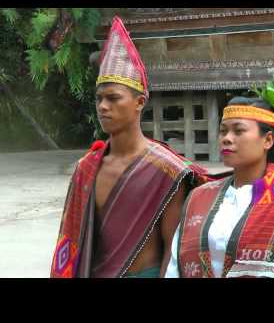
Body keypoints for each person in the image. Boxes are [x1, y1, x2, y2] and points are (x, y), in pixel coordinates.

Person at [50, 16, 208, 278]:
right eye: (99, 98)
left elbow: (173, 250)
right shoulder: (86, 168)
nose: (102, 107)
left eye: (113, 98)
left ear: (139, 102)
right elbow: (74, 241)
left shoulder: (168, 170)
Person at [165, 81, 274, 278]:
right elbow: (175, 264)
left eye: (239, 131)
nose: (227, 138)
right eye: (223, 131)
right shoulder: (199, 197)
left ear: (268, 140)